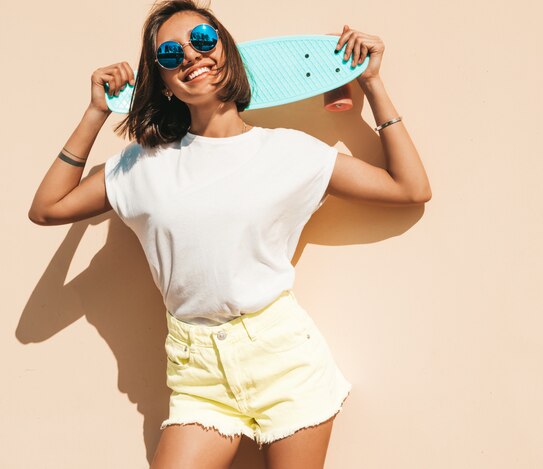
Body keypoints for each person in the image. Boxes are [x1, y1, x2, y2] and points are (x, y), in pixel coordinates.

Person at [28, 0, 431, 467]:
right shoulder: (143, 164)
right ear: (163, 81)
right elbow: (48, 209)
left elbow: (410, 187)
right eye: (170, 55)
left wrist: (373, 83)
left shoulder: (289, 152)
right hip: (197, 372)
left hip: (283, 359)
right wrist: (96, 111)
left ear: (227, 50)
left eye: (203, 40)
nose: (191, 57)